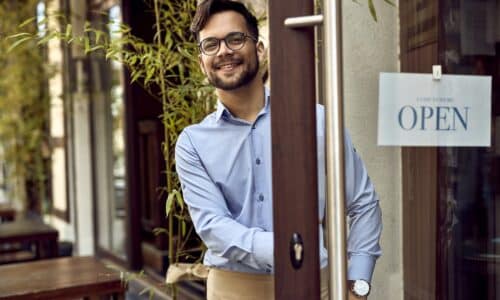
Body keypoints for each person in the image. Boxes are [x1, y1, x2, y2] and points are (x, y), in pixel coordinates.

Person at [174, 0, 382, 299]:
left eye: (235, 39)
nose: (223, 51)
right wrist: (291, 248)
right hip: (233, 290)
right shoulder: (192, 142)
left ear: (260, 49)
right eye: (210, 44)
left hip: (314, 285)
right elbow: (214, 227)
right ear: (201, 62)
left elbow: (363, 203)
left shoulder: (317, 120)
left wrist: (357, 284)